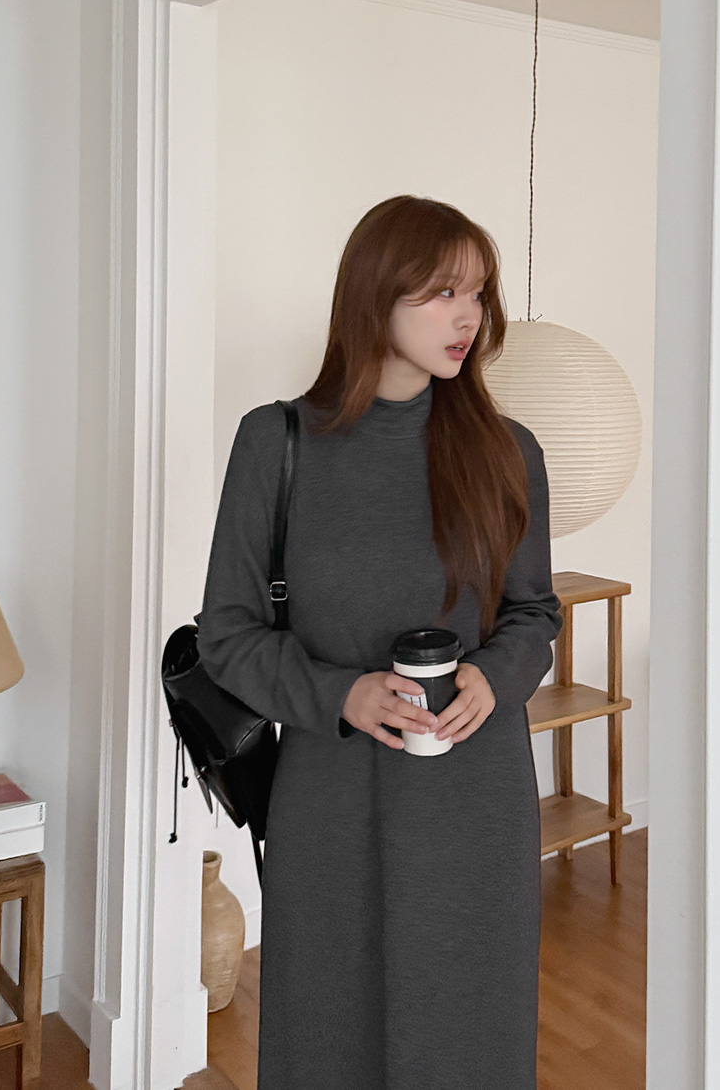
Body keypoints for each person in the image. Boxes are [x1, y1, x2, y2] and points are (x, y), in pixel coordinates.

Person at [195, 194, 563, 1090]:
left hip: (475, 797)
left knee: (470, 1042)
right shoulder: (276, 442)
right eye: (442, 292)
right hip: (332, 799)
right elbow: (227, 634)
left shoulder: (508, 450)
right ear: (374, 294)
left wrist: (493, 675)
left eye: (478, 293)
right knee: (331, 1032)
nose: (468, 316)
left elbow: (534, 613)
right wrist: (342, 693)